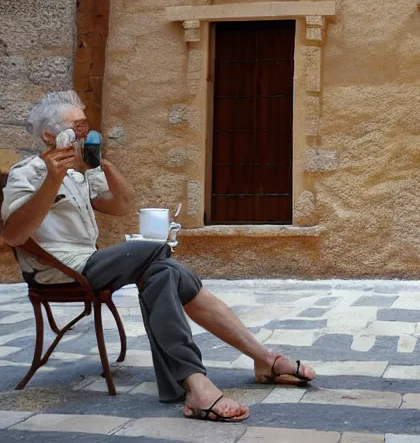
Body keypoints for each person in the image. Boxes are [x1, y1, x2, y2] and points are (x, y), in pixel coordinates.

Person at [1, 90, 315, 422]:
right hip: (64, 271)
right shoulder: (29, 173)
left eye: (86, 125)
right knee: (155, 251)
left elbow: (122, 205)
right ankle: (255, 363)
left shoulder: (82, 174)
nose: (86, 132)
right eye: (77, 127)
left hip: (91, 262)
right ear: (51, 135)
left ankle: (213, 377)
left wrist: (100, 162)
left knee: (163, 272)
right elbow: (13, 235)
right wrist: (53, 179)